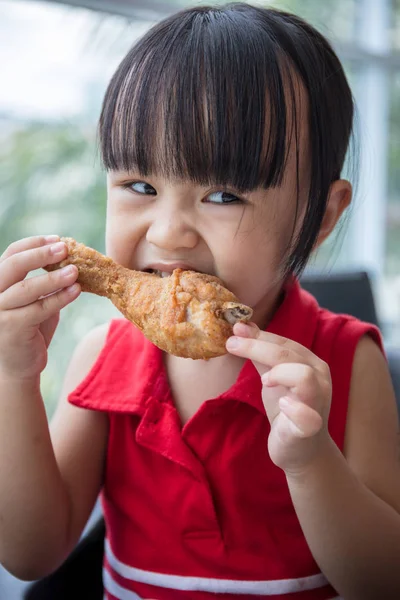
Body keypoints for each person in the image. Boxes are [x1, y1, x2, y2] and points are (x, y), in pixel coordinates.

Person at [0, 3, 399, 599]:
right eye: (140, 186)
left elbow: (382, 582)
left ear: (319, 216)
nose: (167, 233)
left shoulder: (347, 361)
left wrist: (310, 459)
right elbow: (30, 552)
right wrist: (13, 377)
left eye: (223, 194)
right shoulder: (102, 357)